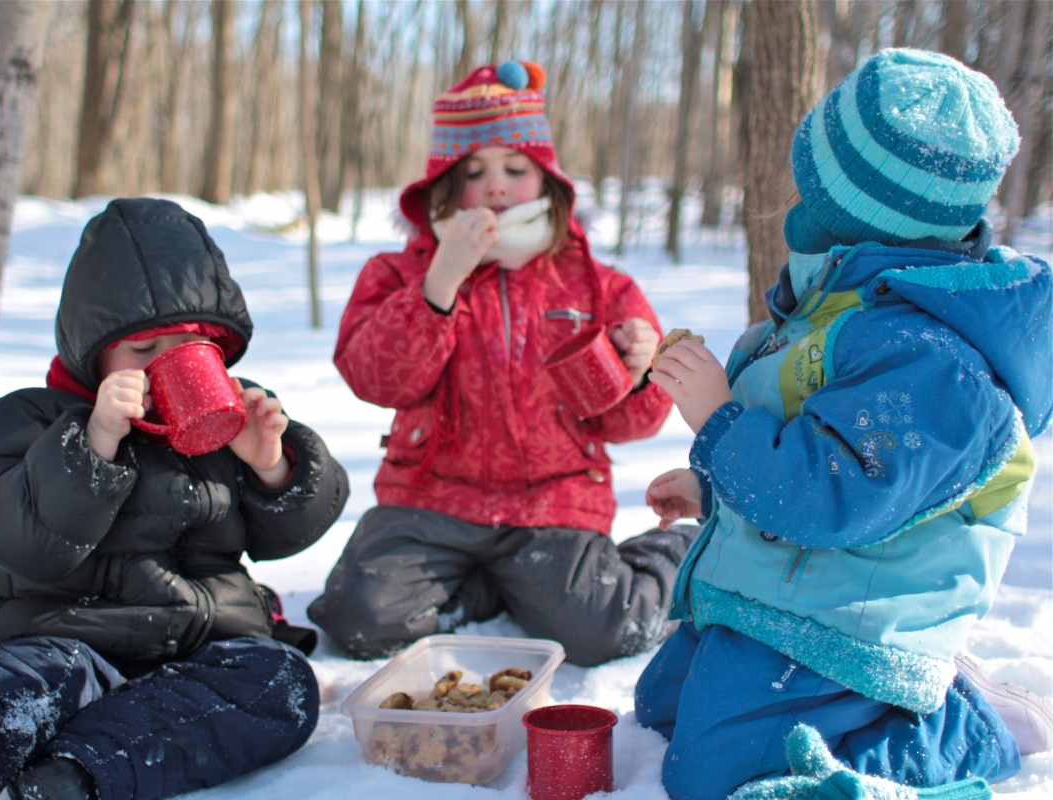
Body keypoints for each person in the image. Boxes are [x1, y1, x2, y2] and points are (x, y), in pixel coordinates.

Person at [638, 49, 1052, 800]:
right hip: (794, 590)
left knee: (710, 776)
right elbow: (813, 431)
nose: (796, 195)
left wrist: (716, 420)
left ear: (862, 206)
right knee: (660, 705)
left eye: (814, 178)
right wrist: (714, 485)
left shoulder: (935, 366)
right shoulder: (842, 299)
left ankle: (962, 732)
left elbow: (832, 496)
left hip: (857, 623)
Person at [0, 198, 349, 800]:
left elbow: (291, 530)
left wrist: (271, 462)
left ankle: (71, 777)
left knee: (282, 684)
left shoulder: (231, 418)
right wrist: (93, 444)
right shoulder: (31, 418)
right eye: (143, 352)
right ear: (94, 352)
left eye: (187, 348)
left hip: (201, 655)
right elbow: (14, 539)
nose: (166, 364)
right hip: (62, 645)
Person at [308, 61, 691, 668]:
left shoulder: (598, 285)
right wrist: (440, 283)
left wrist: (642, 369)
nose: (495, 187)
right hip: (429, 498)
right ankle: (492, 586)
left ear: (547, 182)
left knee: (599, 632)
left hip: (553, 502)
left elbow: (634, 424)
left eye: (516, 169)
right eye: (474, 172)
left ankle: (676, 553)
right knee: (360, 620)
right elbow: (374, 379)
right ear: (442, 186)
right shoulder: (397, 274)